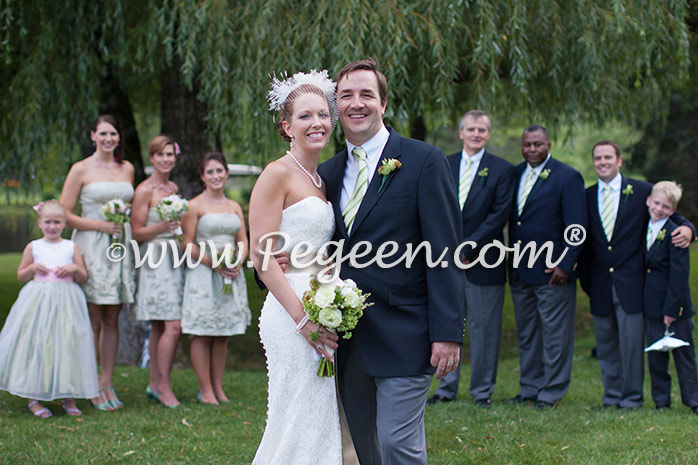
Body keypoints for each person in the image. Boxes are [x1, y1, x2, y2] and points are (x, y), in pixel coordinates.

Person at [320, 59, 465, 465]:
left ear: (383, 102)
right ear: (336, 107)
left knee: (398, 444)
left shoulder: (424, 160)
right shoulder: (327, 173)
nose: (356, 103)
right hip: (348, 339)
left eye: (366, 94)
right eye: (346, 95)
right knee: (367, 449)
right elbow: (311, 243)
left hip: (407, 330)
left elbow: (445, 251)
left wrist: (448, 330)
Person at [250, 70, 354, 465]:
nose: (317, 124)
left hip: (322, 301)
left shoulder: (321, 179)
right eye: (305, 116)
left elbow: (318, 245)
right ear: (286, 125)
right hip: (290, 309)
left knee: (321, 410)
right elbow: (262, 258)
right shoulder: (276, 174)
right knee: (295, 411)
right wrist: (303, 320)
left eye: (323, 115)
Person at [579, 141, 694, 409]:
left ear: (619, 161)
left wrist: (689, 229)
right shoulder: (586, 195)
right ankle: (611, 396)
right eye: (598, 158)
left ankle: (631, 397)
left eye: (608, 157)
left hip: (632, 283)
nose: (602, 162)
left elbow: (668, 211)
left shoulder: (641, 190)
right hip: (599, 283)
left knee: (631, 346)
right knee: (606, 345)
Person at [428, 110, 515, 408]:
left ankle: (481, 391)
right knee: (448, 324)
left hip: (485, 261)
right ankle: (445, 388)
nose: (476, 134)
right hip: (444, 260)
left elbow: (498, 215)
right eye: (471, 129)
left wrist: (468, 246)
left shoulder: (502, 170)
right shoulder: (443, 163)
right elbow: (434, 207)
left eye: (482, 130)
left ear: (488, 134)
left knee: (484, 330)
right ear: (461, 133)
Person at [507, 125, 587, 409]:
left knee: (555, 335)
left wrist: (565, 265)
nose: (531, 149)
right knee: (527, 333)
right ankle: (530, 387)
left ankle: (552, 390)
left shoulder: (567, 177)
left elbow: (577, 226)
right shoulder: (515, 174)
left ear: (549, 145)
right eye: (527, 144)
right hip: (519, 269)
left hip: (552, 272)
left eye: (537, 144)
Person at [60, 114, 135, 410]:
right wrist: (100, 226)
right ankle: (89, 383)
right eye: (103, 134)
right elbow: (65, 213)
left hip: (120, 246)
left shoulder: (126, 168)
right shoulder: (80, 169)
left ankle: (107, 382)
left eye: (113, 134)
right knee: (92, 318)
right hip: (91, 244)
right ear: (93, 136)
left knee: (112, 317)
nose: (108, 139)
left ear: (118, 138)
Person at [0, 200, 98, 418]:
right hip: (39, 302)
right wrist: (32, 267)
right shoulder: (34, 247)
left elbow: (83, 276)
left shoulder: (70, 247)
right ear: (40, 223)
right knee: (39, 343)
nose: (52, 226)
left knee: (67, 344)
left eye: (57, 222)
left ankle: (68, 395)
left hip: (67, 302)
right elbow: (20, 275)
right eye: (48, 222)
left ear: (64, 223)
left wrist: (73, 268)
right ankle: (34, 396)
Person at [181, 151, 250, 405]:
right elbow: (186, 244)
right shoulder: (194, 205)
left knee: (222, 332)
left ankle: (218, 387)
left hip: (230, 273)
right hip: (203, 271)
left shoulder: (233, 207)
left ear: (227, 173)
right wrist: (214, 263)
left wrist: (238, 260)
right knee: (203, 331)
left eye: (219, 170)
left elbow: (242, 240)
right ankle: (205, 389)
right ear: (202, 176)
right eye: (210, 171)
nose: (215, 175)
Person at [131, 134, 184, 408]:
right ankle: (164, 386)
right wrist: (164, 227)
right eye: (160, 155)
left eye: (170, 155)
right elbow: (136, 231)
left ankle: (154, 383)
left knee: (160, 325)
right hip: (154, 259)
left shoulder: (173, 187)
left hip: (173, 258)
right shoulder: (144, 190)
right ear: (152, 158)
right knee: (173, 326)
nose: (166, 160)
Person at [643, 181, 698, 414]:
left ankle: (694, 400)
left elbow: (679, 275)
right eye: (656, 203)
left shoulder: (676, 232)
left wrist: (672, 311)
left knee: (684, 355)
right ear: (648, 201)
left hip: (675, 305)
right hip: (651, 304)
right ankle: (661, 401)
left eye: (666, 207)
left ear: (673, 210)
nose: (659, 209)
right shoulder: (642, 224)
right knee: (656, 355)